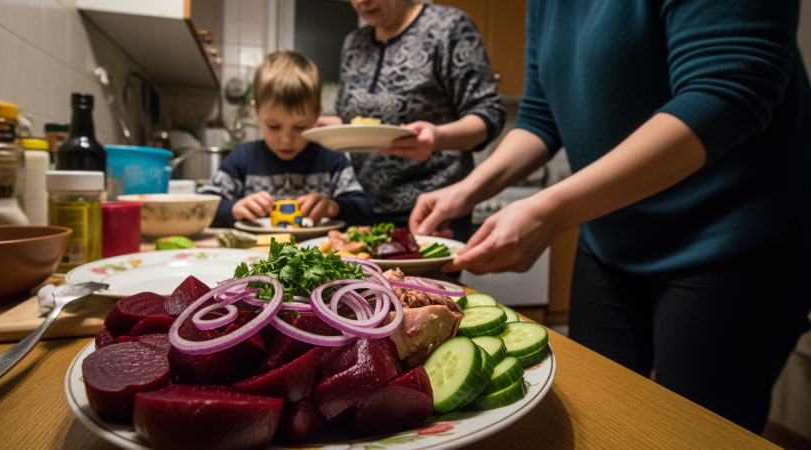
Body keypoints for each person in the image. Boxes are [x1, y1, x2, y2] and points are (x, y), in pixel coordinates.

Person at [410, 0, 811, 434]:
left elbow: (727, 91)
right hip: (609, 241)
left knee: (699, 434)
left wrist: (550, 209)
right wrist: (466, 192)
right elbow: (541, 116)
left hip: (727, 240)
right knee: (598, 418)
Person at [317, 0, 505, 242]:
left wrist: (438, 138)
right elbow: (355, 122)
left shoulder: (448, 27)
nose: (361, 1)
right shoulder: (355, 43)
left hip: (433, 209)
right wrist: (315, 125)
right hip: (367, 209)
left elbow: (489, 113)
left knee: (426, 282)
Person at [202, 51, 371, 228]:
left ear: (316, 116)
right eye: (274, 126)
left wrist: (334, 207)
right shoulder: (242, 158)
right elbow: (202, 208)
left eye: (300, 127)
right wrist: (233, 208)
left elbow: (364, 211)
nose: (286, 140)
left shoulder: (332, 159)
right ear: (257, 112)